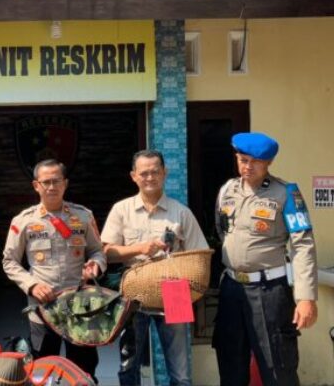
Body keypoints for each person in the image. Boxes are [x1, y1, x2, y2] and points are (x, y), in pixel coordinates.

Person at [213, 132, 318, 386]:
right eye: (242, 160)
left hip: (269, 291)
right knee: (230, 364)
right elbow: (221, 231)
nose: (247, 167)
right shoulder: (227, 190)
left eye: (254, 162)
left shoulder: (286, 194)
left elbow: (303, 245)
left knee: (277, 365)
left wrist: (305, 297)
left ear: (268, 163)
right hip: (231, 289)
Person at [100, 149, 208, 386]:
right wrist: (140, 249)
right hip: (133, 289)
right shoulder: (121, 210)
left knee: (180, 372)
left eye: (155, 172)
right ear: (134, 176)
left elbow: (199, 254)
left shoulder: (181, 212)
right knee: (129, 366)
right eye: (144, 173)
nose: (150, 177)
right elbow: (106, 252)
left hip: (176, 291)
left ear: (164, 173)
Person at [2, 159, 106, 380]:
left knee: (84, 371)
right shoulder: (24, 221)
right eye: (46, 182)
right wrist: (32, 285)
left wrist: (95, 265)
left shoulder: (83, 216)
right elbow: (9, 261)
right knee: (42, 371)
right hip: (43, 309)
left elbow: (98, 251)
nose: (51, 187)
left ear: (65, 183)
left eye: (56, 181)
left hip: (79, 308)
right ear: (36, 185)